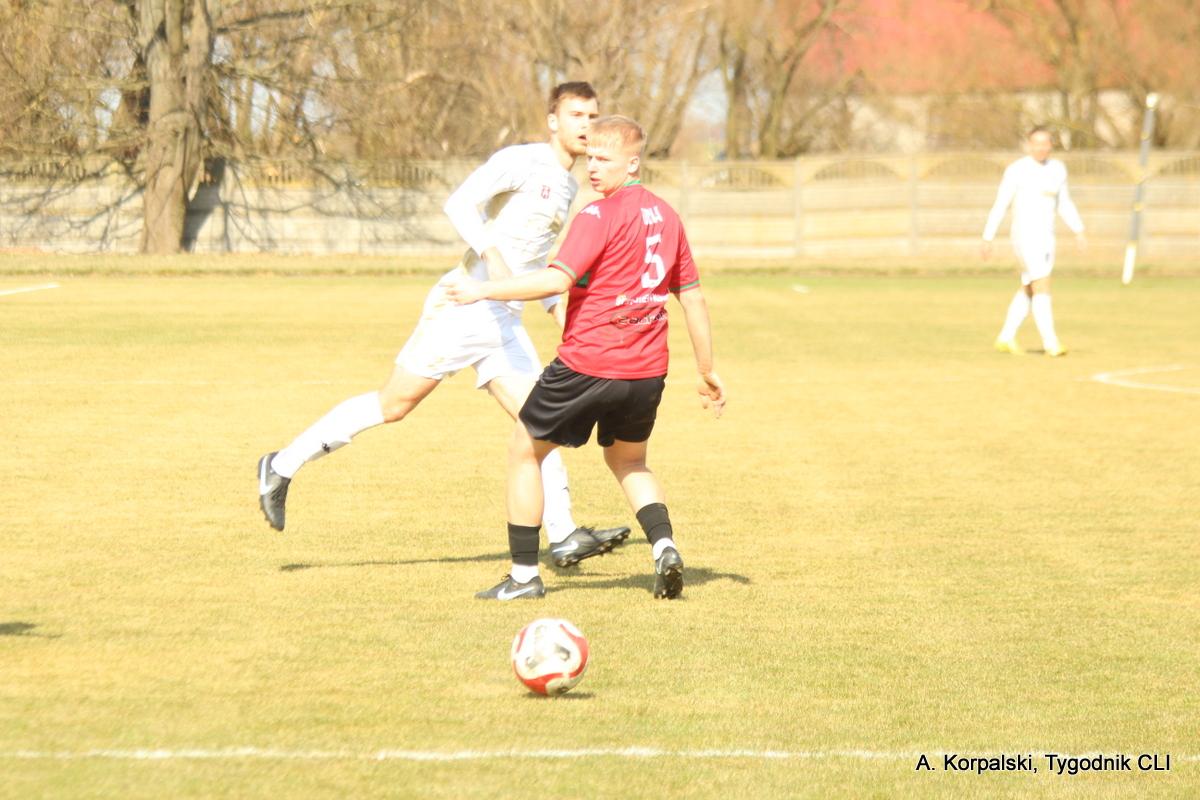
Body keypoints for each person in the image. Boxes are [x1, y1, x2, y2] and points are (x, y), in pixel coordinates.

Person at [257, 82, 631, 565]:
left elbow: (534, 256)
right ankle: (281, 465)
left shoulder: (567, 184)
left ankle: (563, 535)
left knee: (542, 421)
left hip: (503, 317)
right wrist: (490, 254)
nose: (587, 125)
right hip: (465, 305)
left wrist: (552, 307)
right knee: (394, 405)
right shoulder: (523, 161)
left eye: (593, 116)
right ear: (553, 121)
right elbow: (459, 203)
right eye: (577, 115)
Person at [445, 115, 726, 601]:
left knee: (524, 451)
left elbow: (556, 280)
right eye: (590, 157)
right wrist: (706, 370)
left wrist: (482, 290)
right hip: (646, 371)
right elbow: (693, 298)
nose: (592, 167)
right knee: (629, 460)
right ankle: (664, 547)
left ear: (633, 163)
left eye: (604, 159)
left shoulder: (598, 215)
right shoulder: (668, 216)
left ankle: (523, 577)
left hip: (589, 363)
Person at [982, 125, 1086, 357]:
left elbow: (1064, 203)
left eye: (1045, 143)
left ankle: (1006, 337)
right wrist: (987, 236)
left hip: (1047, 238)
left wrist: (1078, 229)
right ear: (1029, 145)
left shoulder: (1058, 169)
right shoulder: (1017, 170)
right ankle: (1051, 343)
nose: (1041, 148)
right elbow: (1001, 204)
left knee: (1030, 287)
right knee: (1042, 284)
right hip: (1024, 237)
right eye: (1036, 143)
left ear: (1051, 145)